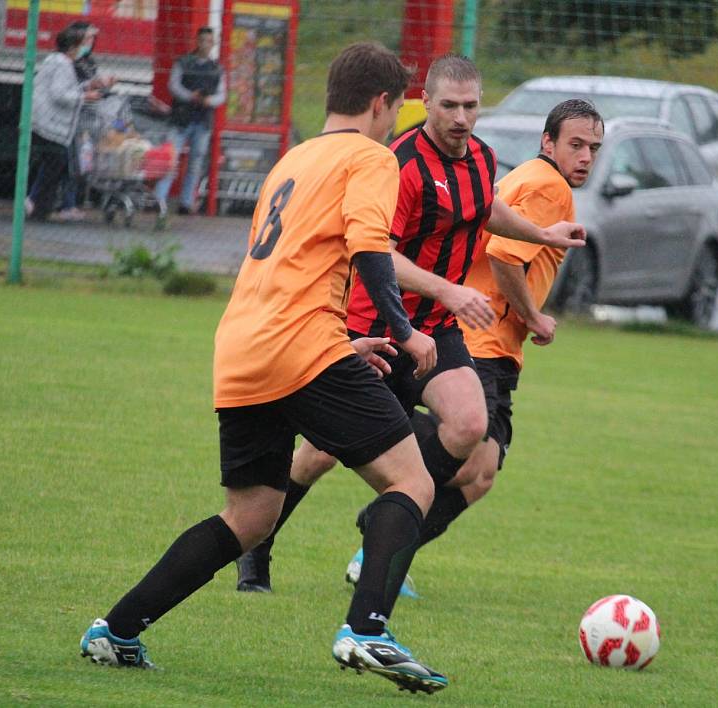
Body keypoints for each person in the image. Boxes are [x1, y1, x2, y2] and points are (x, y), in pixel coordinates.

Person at [80, 41, 451, 695]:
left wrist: (344, 340)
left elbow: (294, 266)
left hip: (245, 347)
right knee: (413, 481)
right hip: (298, 347)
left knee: (250, 516)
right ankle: (366, 630)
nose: (397, 122)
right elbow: (370, 248)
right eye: (399, 109)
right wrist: (403, 330)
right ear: (380, 103)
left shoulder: (296, 158)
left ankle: (117, 629)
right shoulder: (370, 156)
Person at [235, 55, 588, 595]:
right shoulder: (398, 162)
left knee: (471, 424)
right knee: (319, 454)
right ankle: (257, 546)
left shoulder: (481, 157)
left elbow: (485, 208)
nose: (461, 118)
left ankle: (391, 513)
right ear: (426, 102)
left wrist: (544, 234)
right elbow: (379, 254)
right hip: (378, 322)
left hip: (438, 330)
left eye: (471, 106)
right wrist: (447, 288)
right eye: (449, 106)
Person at [409, 98, 604, 556]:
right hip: (482, 340)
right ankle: (382, 509)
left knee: (481, 471)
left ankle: (384, 540)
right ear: (547, 141)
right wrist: (534, 317)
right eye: (575, 145)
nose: (585, 157)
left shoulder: (525, 176)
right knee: (470, 460)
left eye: (593, 148)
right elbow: (504, 255)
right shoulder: (549, 188)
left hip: (488, 341)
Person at [24, 26, 104, 222]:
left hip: (50, 123)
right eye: (84, 43)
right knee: (55, 161)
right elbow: (59, 94)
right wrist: (85, 95)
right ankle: (35, 203)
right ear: (72, 46)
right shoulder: (61, 63)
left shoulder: (62, 63)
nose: (87, 47)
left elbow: (66, 88)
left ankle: (38, 205)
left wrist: (87, 86)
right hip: (49, 123)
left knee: (54, 162)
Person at [154, 26, 226, 225]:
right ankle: (159, 199)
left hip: (202, 120)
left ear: (213, 43)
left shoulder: (217, 68)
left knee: (195, 163)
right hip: (181, 118)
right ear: (197, 41)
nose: (205, 45)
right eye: (202, 40)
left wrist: (208, 101)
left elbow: (222, 94)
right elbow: (174, 85)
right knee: (170, 159)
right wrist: (190, 96)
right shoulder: (183, 62)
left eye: (209, 41)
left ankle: (186, 202)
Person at [53, 21, 116, 222]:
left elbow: (94, 88)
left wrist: (104, 86)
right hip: (71, 118)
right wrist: (89, 90)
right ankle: (65, 203)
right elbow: (68, 90)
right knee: (70, 163)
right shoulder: (66, 62)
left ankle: (70, 202)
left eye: (92, 39)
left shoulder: (87, 61)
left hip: (89, 118)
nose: (91, 42)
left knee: (80, 162)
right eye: (88, 38)